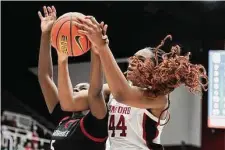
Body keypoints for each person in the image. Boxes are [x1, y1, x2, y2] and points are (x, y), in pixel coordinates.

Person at [73, 17, 208, 150]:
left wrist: (103, 47)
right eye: (133, 59)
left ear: (155, 69)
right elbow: (71, 101)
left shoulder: (159, 98)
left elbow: (122, 95)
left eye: (141, 60)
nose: (132, 63)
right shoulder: (113, 90)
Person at [37, 6, 109, 150]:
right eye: (75, 88)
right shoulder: (64, 117)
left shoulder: (96, 124)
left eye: (83, 88)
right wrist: (46, 34)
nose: (76, 90)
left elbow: (95, 92)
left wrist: (96, 52)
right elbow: (44, 77)